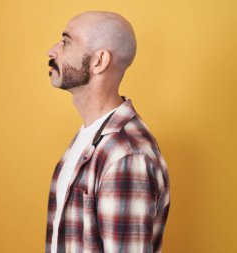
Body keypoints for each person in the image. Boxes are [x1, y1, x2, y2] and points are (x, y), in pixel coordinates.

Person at [45, 10, 170, 253]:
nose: (52, 51)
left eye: (66, 42)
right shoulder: (90, 136)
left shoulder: (127, 156)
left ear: (99, 61)